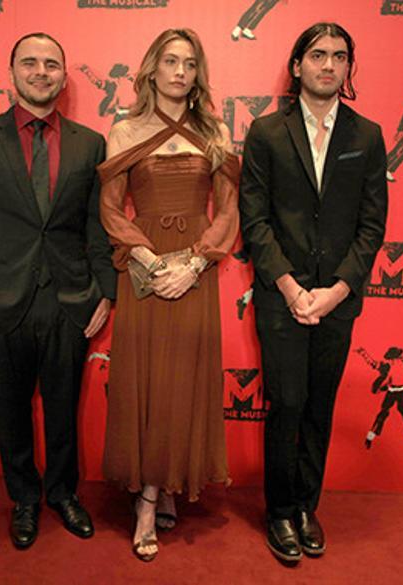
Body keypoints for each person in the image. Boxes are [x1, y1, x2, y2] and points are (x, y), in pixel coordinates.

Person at [0, 32, 116, 550]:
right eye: (30, 63)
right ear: (12, 72)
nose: (41, 72)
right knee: (11, 410)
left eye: (51, 64)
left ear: (64, 76)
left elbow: (97, 227)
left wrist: (106, 292)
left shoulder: (90, 143)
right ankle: (23, 498)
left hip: (70, 298)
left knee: (64, 408)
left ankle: (63, 493)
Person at [239, 22, 388, 562]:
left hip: (338, 301)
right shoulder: (265, 132)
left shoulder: (367, 135)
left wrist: (337, 290)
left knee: (319, 406)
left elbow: (372, 225)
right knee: (287, 404)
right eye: (318, 54)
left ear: (349, 67)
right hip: (281, 295)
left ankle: (306, 506)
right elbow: (254, 220)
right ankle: (279, 511)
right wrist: (290, 287)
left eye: (339, 56)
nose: (329, 65)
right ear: (297, 65)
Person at [98, 28, 239, 562]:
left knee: (183, 381)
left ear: (198, 73)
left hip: (195, 270)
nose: (181, 71)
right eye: (171, 61)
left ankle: (166, 483)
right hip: (145, 269)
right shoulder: (124, 130)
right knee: (148, 382)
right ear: (151, 70)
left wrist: (195, 263)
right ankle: (147, 500)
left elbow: (228, 209)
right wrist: (152, 262)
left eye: (190, 63)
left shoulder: (215, 130)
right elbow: (111, 208)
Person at [355, 346, 403, 449]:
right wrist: (364, 354)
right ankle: (371, 436)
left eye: (396, 358)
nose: (395, 360)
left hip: (401, 392)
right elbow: (373, 364)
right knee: (384, 413)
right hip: (391, 392)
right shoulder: (388, 366)